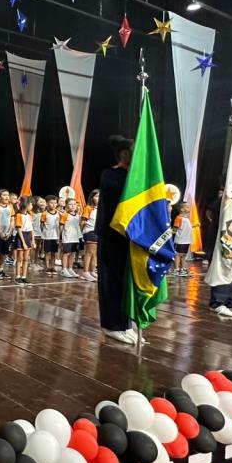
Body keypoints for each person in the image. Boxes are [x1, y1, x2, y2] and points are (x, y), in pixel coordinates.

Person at [97, 135, 137, 344]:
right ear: (124, 154)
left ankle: (125, 323)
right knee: (111, 281)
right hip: (112, 236)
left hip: (130, 237)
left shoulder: (134, 176)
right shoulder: (111, 174)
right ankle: (112, 324)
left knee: (126, 281)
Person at [60, 197, 83, 278]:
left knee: (73, 254)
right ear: (66, 205)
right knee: (66, 253)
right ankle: (64, 269)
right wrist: (61, 237)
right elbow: (61, 226)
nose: (73, 206)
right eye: (70, 204)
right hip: (67, 237)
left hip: (75, 237)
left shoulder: (78, 216)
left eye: (74, 204)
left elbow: (79, 226)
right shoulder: (65, 215)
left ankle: (70, 268)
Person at [80, 190, 99, 282]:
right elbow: (83, 221)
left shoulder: (100, 209)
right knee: (89, 253)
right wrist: (81, 232)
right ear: (92, 198)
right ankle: (85, 272)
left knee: (95, 254)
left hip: (97, 232)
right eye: (97, 196)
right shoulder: (88, 208)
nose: (99, 198)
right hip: (90, 231)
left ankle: (92, 271)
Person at [13, 198, 33, 284]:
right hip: (21, 237)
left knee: (26, 259)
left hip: (28, 236)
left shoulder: (29, 215)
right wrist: (23, 242)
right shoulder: (19, 215)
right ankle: (18, 276)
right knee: (20, 258)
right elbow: (19, 229)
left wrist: (33, 240)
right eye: (31, 204)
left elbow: (31, 229)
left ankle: (24, 276)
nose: (32, 206)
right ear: (26, 205)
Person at [172, 201, 193, 277]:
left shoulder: (186, 218)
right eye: (187, 207)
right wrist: (171, 236)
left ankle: (183, 269)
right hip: (180, 240)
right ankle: (176, 269)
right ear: (182, 209)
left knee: (184, 254)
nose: (189, 208)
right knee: (178, 254)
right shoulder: (179, 218)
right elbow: (175, 228)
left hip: (187, 240)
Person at [41, 196, 61, 273]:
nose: (53, 204)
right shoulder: (45, 213)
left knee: (54, 252)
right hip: (47, 236)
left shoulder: (58, 214)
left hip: (56, 236)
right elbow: (42, 225)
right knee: (47, 252)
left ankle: (52, 266)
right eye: (51, 203)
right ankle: (47, 266)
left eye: (55, 203)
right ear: (47, 203)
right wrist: (44, 232)